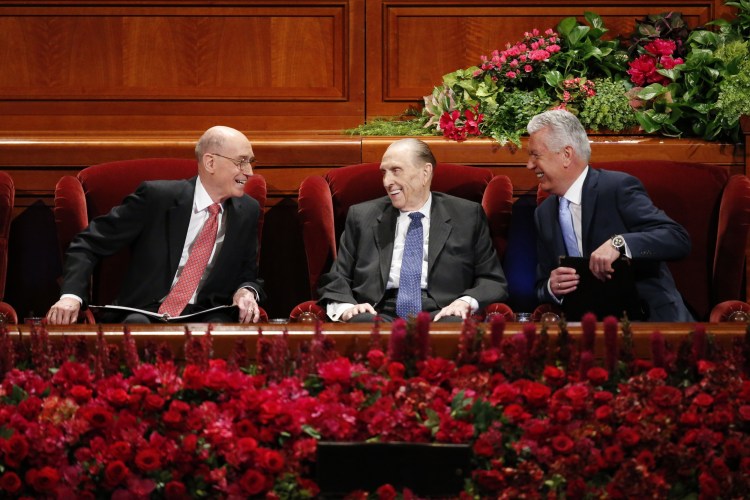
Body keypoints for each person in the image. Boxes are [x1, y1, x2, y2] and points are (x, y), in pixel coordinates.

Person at [46, 126, 265, 324]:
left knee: (221, 332)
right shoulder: (157, 198)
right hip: (145, 311)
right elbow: (88, 243)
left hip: (206, 314)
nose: (249, 172)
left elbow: (248, 275)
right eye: (241, 161)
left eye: (250, 162)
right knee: (136, 326)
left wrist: (246, 291)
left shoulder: (247, 211)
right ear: (210, 163)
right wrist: (71, 296)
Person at [527, 109, 693, 321]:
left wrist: (620, 244)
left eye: (535, 155)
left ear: (566, 155)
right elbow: (541, 286)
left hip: (648, 322)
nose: (529, 165)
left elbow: (677, 239)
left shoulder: (616, 188)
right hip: (587, 328)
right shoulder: (544, 213)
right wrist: (552, 287)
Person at [317, 138, 508, 322]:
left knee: (454, 326)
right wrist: (347, 308)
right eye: (384, 173)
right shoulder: (361, 216)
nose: (387, 181)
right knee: (363, 323)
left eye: (396, 171)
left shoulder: (467, 215)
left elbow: (492, 280)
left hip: (442, 312)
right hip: (377, 312)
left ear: (425, 172)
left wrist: (464, 303)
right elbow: (337, 278)